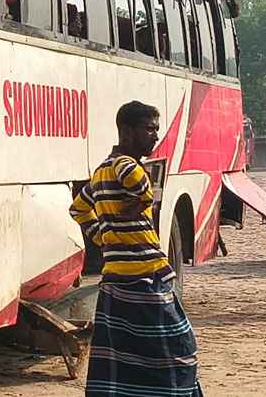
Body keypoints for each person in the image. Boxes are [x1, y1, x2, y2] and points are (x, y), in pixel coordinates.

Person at [69, 101, 202, 397]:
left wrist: (104, 235)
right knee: (179, 350)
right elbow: (143, 189)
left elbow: (78, 208)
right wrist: (139, 203)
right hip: (145, 278)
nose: (155, 136)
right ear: (127, 132)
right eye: (149, 129)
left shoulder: (103, 170)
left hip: (115, 280)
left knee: (124, 358)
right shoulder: (129, 167)